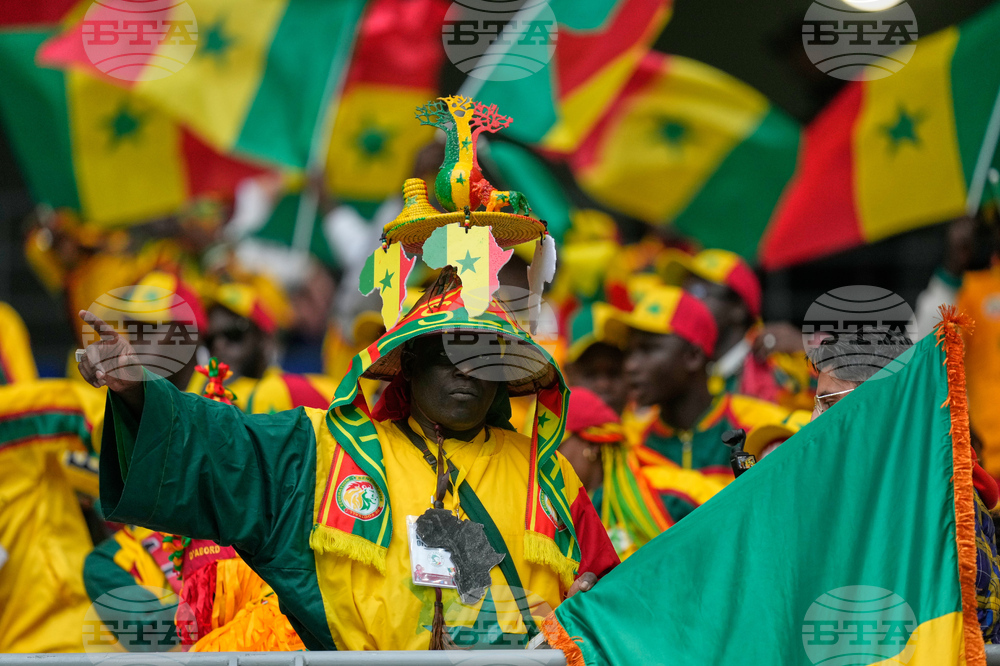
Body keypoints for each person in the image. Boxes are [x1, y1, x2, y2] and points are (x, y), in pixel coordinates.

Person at [78, 277, 619, 651]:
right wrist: (138, 393)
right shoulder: (326, 450)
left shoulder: (549, 474)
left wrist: (590, 604)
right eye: (449, 351)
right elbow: (223, 447)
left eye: (486, 357)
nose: (468, 372)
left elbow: (609, 596)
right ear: (408, 361)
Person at [808, 327, 1000, 643]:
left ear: (883, 406)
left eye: (828, 404)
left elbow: (976, 624)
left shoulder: (948, 503)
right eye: (815, 403)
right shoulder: (841, 497)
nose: (812, 422)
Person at [598, 285, 791, 485]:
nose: (630, 365)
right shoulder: (630, 446)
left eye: (648, 349)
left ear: (693, 356)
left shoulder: (762, 429)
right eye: (628, 352)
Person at [559, 387, 724, 559]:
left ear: (592, 444)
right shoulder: (560, 519)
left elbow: (736, 515)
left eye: (556, 443)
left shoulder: (668, 490)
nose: (544, 458)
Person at [660, 249, 813, 410]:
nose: (685, 304)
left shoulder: (780, 364)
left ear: (738, 309)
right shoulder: (681, 375)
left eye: (698, 292)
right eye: (682, 293)